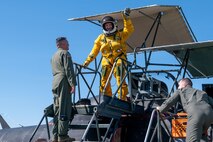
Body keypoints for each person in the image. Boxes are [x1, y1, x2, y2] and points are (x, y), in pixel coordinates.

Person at [82, 8, 134, 101]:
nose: (108, 27)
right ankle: (106, 98)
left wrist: (126, 17)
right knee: (103, 80)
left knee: (120, 78)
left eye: (110, 25)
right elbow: (94, 51)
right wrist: (87, 62)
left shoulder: (120, 35)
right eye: (106, 26)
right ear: (104, 27)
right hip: (106, 60)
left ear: (113, 25)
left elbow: (129, 29)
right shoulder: (100, 38)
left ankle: (122, 99)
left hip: (119, 58)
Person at [51, 37, 76, 142]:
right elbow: (69, 69)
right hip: (63, 80)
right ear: (60, 45)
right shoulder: (65, 53)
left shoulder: (53, 56)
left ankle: (55, 136)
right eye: (66, 44)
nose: (68, 46)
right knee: (64, 107)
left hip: (55, 81)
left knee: (56, 108)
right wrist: (73, 83)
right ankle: (62, 135)